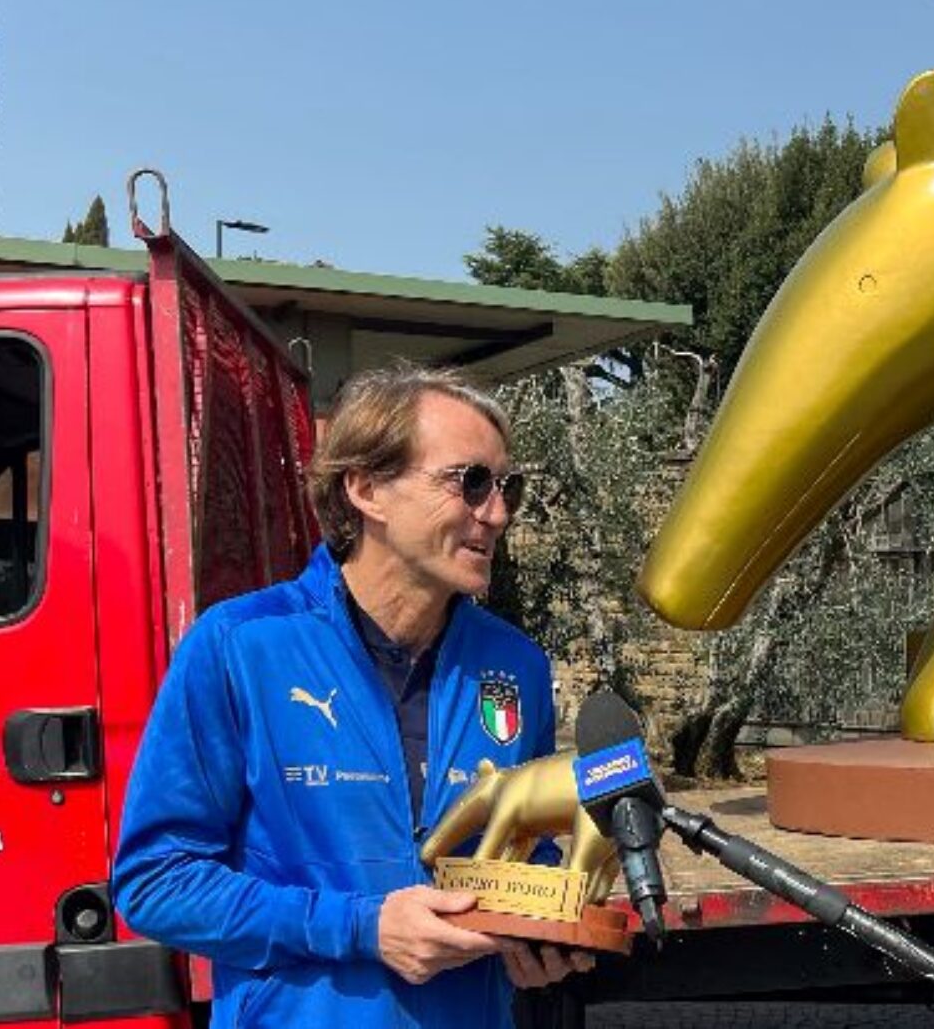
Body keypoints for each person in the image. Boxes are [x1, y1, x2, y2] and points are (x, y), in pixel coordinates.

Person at [113, 364, 591, 1028]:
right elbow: (156, 882)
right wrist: (362, 928)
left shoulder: (518, 668)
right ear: (367, 489)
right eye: (471, 482)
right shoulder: (240, 646)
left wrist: (542, 924)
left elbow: (523, 853)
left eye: (508, 486)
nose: (499, 512)